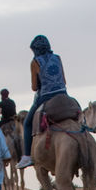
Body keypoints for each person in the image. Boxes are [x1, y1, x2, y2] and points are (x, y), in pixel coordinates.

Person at [18, 35, 67, 167]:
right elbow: (64, 80)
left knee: (27, 123)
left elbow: (34, 87)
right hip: (63, 94)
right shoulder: (57, 58)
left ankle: (27, 156)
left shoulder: (35, 62)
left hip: (45, 96)